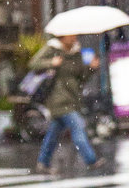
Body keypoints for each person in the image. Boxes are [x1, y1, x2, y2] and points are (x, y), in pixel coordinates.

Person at [31, 35, 100, 173]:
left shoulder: (76, 53)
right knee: (78, 125)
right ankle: (91, 160)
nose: (74, 37)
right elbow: (33, 64)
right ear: (63, 36)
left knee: (54, 133)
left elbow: (81, 77)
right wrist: (51, 62)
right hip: (58, 99)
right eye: (71, 34)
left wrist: (92, 68)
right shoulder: (53, 48)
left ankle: (43, 162)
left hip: (73, 98)